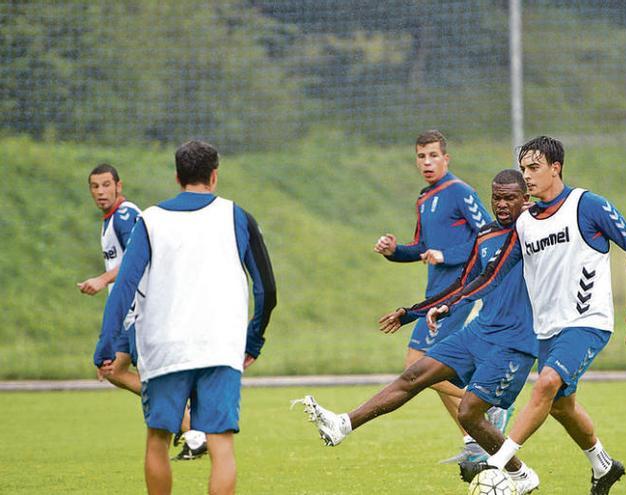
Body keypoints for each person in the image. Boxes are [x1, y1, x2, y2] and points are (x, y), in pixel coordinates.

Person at [428, 136, 626, 495]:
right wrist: (451, 303)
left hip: (588, 321)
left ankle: (500, 467)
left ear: (555, 168)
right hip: (548, 330)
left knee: (546, 383)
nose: (526, 176)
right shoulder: (526, 222)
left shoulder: (586, 205)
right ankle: (603, 466)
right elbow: (493, 274)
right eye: (523, 169)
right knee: (562, 407)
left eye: (534, 168)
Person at [295, 169, 540, 494]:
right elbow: (464, 282)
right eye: (497, 197)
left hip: (514, 341)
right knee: (415, 374)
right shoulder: (486, 235)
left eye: (510, 197)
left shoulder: (535, 234)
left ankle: (521, 476)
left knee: (468, 414)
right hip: (481, 331)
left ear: (527, 199)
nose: (502, 204)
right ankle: (343, 425)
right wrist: (413, 312)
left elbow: (491, 278)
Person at [94, 140, 277, 495]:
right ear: (214, 176)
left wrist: (105, 343)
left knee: (158, 439)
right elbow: (266, 289)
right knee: (221, 445)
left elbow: (124, 288)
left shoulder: (150, 220)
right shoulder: (237, 216)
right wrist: (254, 338)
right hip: (220, 347)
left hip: (164, 348)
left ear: (177, 177)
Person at [372, 130, 509, 462]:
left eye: (433, 155)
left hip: (459, 295)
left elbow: (488, 238)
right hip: (433, 299)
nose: (427, 162)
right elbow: (421, 248)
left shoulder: (460, 192)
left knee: (418, 368)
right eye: (421, 156)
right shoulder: (424, 198)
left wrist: (447, 255)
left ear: (446, 158)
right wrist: (393, 251)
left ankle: (490, 408)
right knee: (430, 373)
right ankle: (475, 442)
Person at [80, 164, 208, 460]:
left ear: (118, 186)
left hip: (142, 311)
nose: (100, 192)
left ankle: (192, 429)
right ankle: (188, 424)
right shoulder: (110, 220)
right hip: (128, 315)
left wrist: (101, 279)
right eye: (94, 186)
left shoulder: (126, 217)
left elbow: (137, 260)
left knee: (152, 377)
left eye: (105, 185)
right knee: (114, 371)